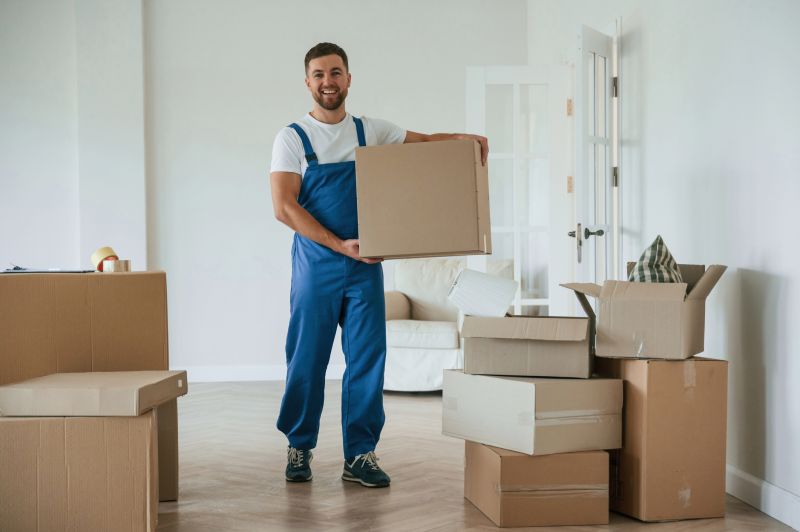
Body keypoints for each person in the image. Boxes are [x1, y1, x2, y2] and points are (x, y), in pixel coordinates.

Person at [269, 42, 488, 488]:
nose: (327, 82)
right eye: (318, 74)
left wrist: (467, 141)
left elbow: (424, 145)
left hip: (366, 264)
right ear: (307, 82)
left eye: (335, 72)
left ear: (349, 78)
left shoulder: (371, 131)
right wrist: (339, 246)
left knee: (368, 359)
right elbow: (284, 207)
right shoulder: (292, 138)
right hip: (317, 266)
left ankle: (361, 454)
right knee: (306, 359)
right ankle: (299, 445)